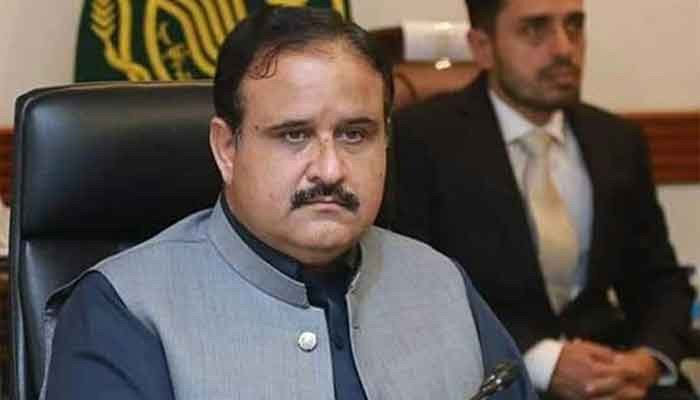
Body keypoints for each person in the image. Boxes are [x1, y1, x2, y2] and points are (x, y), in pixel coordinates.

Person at [40, 6, 537, 400]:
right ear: (227, 149)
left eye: (355, 134)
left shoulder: (441, 282)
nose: (330, 169)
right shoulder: (123, 309)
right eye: (294, 135)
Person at [389, 0, 695, 399]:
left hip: (614, 374)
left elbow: (658, 279)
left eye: (574, 26)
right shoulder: (420, 141)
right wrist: (543, 362)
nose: (564, 48)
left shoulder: (617, 140)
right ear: (483, 47)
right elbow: (413, 293)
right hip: (491, 376)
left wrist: (648, 359)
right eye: (535, 29)